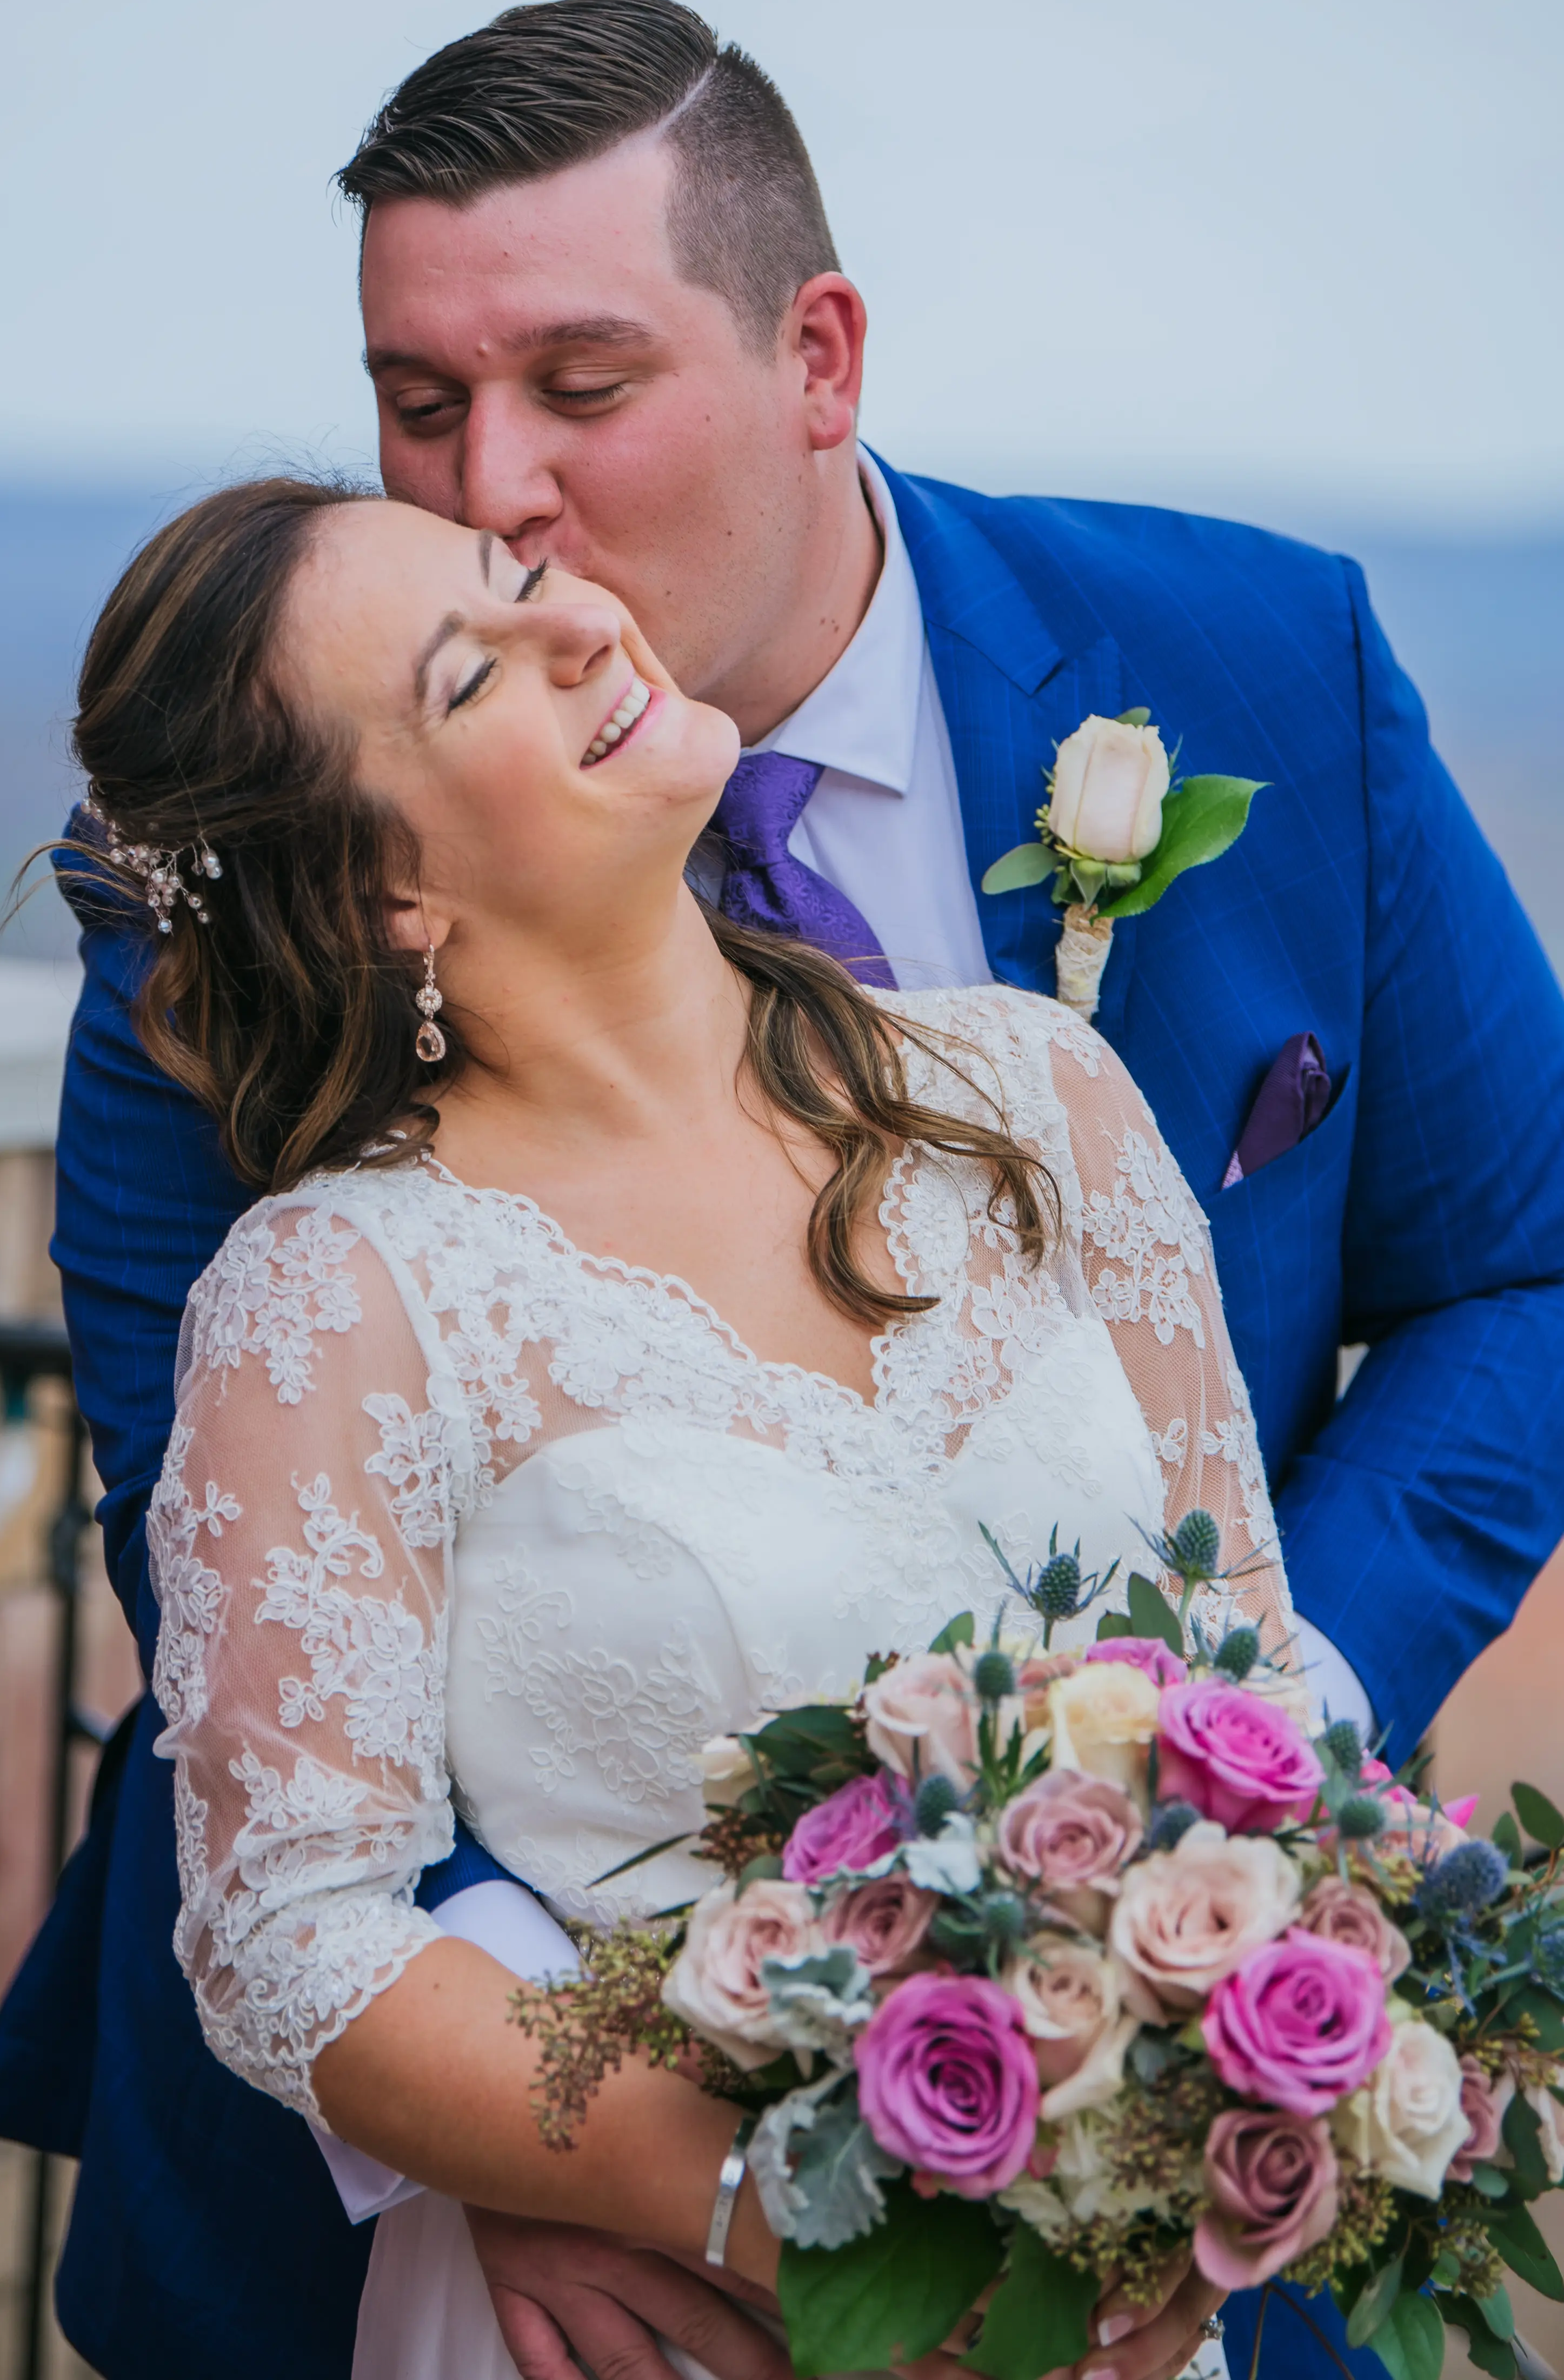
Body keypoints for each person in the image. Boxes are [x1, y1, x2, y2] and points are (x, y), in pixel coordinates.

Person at [0, 0, 1564, 2380]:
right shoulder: (266, 859)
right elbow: (211, 1543)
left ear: (817, 355)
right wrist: (594, 2131)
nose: (488, 491)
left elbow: (1513, 1268)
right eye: (415, 403)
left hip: (1171, 2119)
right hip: (511, 2225)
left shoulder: (1247, 681)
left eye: (578, 390)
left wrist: (1207, 1825)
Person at [80, 469, 1297, 2380]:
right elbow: (291, 1935)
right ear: (387, 889)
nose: (581, 619)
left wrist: (1205, 2134)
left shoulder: (1041, 1094)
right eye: (473, 672)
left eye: (524, 577)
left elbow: (1259, 1672)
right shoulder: (340, 1294)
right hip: (691, 2322)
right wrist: (804, 2224)